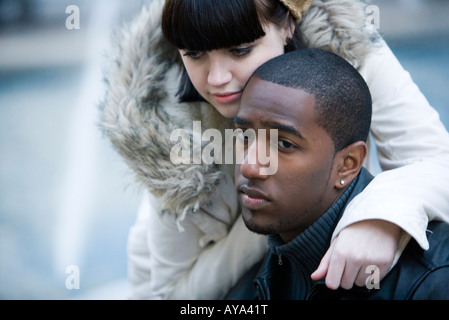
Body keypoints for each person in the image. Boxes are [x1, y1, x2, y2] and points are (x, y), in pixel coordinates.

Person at [98, 0, 449, 299]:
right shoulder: (171, 127)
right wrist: (287, 217)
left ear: (287, 26)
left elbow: (437, 160)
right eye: (195, 54)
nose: (216, 78)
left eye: (240, 50)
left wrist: (378, 218)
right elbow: (169, 292)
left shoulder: (347, 49)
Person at [230, 48, 449, 300]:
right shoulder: (256, 282)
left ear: (347, 164)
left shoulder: (433, 280)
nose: (249, 166)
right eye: (244, 136)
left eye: (284, 144)